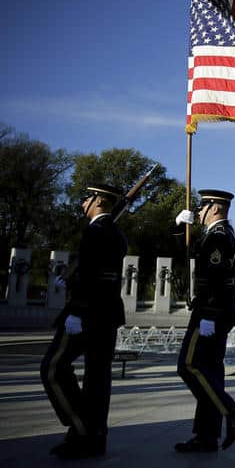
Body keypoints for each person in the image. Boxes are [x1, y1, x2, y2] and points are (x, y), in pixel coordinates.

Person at [41, 183, 128, 459]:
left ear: (99, 201)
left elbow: (94, 278)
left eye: (87, 198)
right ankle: (94, 436)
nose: (83, 203)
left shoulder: (98, 231)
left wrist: (76, 311)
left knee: (53, 367)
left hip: (86, 312)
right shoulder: (115, 233)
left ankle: (82, 429)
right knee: (97, 378)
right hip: (108, 313)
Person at [173, 190, 235, 453]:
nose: (199, 212)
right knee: (209, 372)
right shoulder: (215, 235)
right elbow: (187, 255)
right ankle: (206, 436)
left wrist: (207, 314)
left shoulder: (219, 236)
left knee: (189, 365)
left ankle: (233, 412)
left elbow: (216, 276)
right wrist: (180, 229)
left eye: (202, 207)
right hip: (215, 308)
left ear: (215, 208)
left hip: (212, 309)